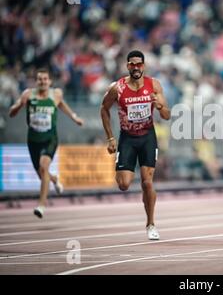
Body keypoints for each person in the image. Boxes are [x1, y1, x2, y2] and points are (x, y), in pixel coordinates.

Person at [100, 50, 171, 240]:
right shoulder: (117, 88)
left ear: (144, 66)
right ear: (127, 66)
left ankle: (151, 224)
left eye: (139, 64)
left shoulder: (154, 85)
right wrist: (110, 138)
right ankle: (144, 200)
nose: (136, 67)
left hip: (148, 136)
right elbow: (104, 108)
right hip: (127, 138)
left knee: (147, 182)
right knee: (123, 184)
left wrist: (160, 106)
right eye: (132, 64)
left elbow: (167, 115)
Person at [9, 68, 84, 218]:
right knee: (42, 174)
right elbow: (11, 113)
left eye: (45, 79)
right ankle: (55, 179)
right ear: (36, 81)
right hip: (33, 140)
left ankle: (41, 206)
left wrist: (74, 117)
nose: (42, 82)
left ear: (49, 81)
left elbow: (62, 104)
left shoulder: (55, 94)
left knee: (44, 167)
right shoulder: (28, 95)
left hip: (50, 139)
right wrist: (19, 105)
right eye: (39, 79)